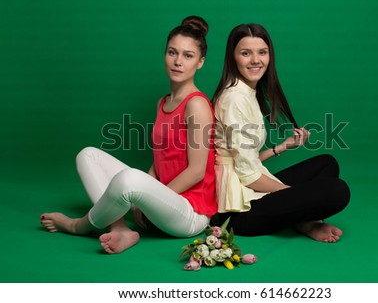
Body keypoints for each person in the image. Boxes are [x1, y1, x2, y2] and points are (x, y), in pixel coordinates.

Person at [40, 16, 217, 254]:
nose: (177, 62)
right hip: (164, 200)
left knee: (130, 179)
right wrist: (145, 195)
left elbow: (196, 171)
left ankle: (78, 225)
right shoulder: (163, 102)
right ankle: (121, 229)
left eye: (188, 56)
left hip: (189, 213)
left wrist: (144, 196)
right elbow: (162, 158)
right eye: (172, 53)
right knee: (88, 155)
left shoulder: (196, 104)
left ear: (200, 62)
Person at [212, 23, 350, 242]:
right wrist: (292, 194)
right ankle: (304, 220)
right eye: (246, 53)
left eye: (262, 52)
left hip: (250, 186)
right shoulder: (234, 98)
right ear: (233, 57)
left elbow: (245, 160)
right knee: (338, 191)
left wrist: (282, 147)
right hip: (239, 211)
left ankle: (301, 219)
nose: (256, 60)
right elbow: (247, 175)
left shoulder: (247, 91)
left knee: (327, 163)